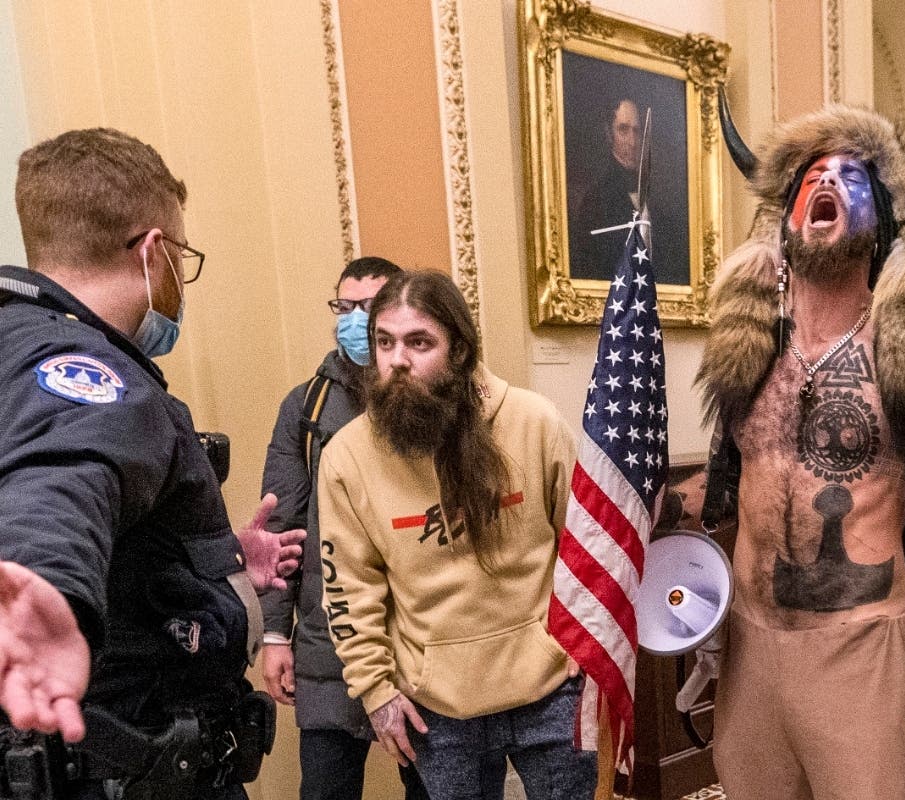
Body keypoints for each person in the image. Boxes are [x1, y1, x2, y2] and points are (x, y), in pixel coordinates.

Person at [694, 100, 905, 799]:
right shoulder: (749, 348)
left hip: (861, 650)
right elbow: (732, 486)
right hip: (750, 647)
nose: (829, 181)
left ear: (882, 223)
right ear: (786, 213)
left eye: (852, 177)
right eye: (814, 173)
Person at [0, 127, 306, 799]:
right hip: (130, 767)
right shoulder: (88, 374)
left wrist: (209, 558)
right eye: (181, 257)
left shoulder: (12, 348)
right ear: (154, 250)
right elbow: (64, 471)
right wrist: (44, 581)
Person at [316, 270, 597, 800]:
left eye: (419, 342)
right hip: (437, 709)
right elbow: (348, 589)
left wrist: (589, 660)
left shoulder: (533, 422)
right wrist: (375, 691)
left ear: (460, 350)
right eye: (385, 342)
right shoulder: (346, 458)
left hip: (551, 686)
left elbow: (584, 549)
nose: (397, 360)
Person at [259, 256, 427, 800]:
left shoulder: (432, 402)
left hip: (421, 639)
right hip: (325, 641)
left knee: (433, 787)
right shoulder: (307, 407)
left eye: (368, 307)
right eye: (344, 306)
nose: (353, 319)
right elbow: (280, 528)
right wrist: (273, 634)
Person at [569, 96, 687, 284]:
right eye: (623, 130)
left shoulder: (658, 201)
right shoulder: (595, 201)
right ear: (609, 134)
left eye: (637, 131)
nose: (632, 142)